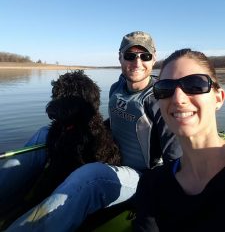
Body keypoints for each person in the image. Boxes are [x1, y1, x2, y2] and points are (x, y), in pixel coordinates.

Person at [1, 31, 182, 231]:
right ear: (120, 57)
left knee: (89, 175)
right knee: (45, 133)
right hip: (113, 158)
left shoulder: (160, 98)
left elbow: (176, 160)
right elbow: (115, 122)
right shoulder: (118, 87)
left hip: (141, 176)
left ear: (154, 58)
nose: (137, 62)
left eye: (144, 56)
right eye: (130, 55)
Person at [134, 48, 225, 232]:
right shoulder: (152, 185)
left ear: (218, 98)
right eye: (165, 89)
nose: (178, 98)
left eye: (194, 85)